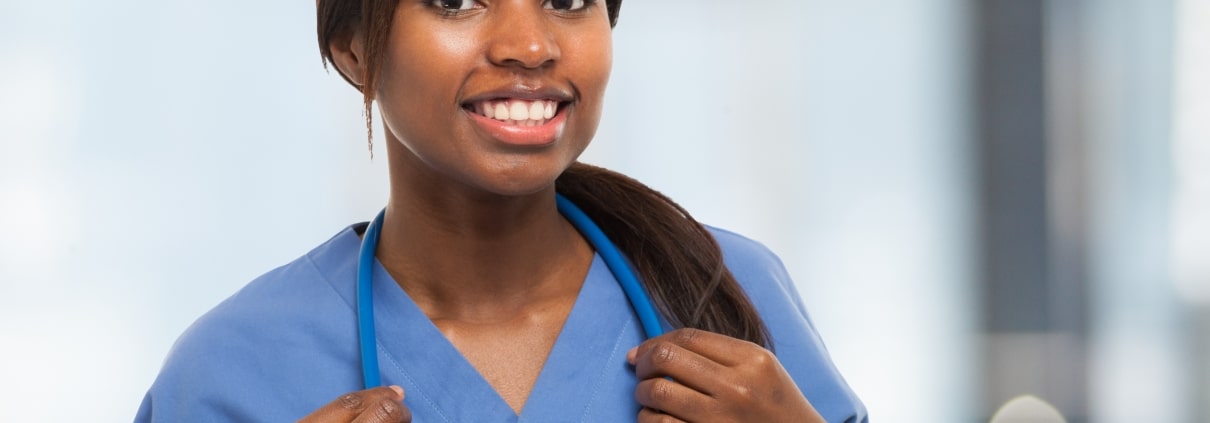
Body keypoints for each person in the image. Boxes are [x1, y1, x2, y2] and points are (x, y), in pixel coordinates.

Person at [135, 0, 869, 421]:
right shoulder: (227, 373)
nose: (530, 44)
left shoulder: (729, 288)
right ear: (354, 48)